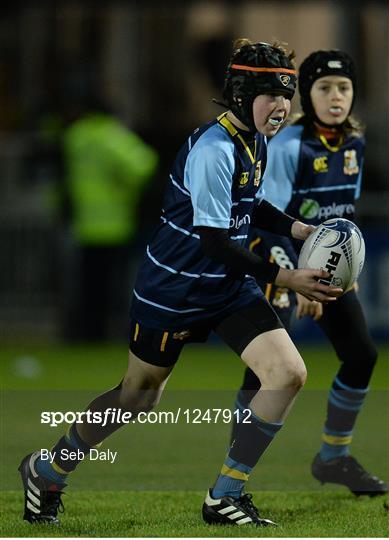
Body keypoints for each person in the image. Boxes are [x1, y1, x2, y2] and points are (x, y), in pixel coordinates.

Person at [19, 39, 343, 528]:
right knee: (138, 397)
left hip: (228, 286)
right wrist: (288, 276)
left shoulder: (252, 138)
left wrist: (296, 229)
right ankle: (47, 471)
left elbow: (248, 203)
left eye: (286, 94)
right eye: (268, 94)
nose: (281, 106)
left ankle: (225, 496)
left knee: (287, 373)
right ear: (237, 94)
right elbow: (214, 240)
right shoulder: (212, 150)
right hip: (174, 291)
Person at [233, 49, 388, 497]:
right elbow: (267, 217)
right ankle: (235, 475)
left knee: (361, 355)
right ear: (308, 93)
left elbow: (342, 214)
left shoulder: (354, 143)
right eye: (324, 88)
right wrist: (291, 275)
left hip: (325, 274)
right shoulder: (287, 146)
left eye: (344, 88)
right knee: (264, 371)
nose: (335, 97)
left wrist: (348, 265)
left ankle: (333, 459)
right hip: (278, 264)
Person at [60, 91, 158, 342]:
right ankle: (111, 333)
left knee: (87, 284)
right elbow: (144, 165)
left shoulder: (76, 136)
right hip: (115, 222)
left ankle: (87, 334)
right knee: (115, 285)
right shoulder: (112, 136)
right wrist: (126, 188)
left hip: (84, 222)